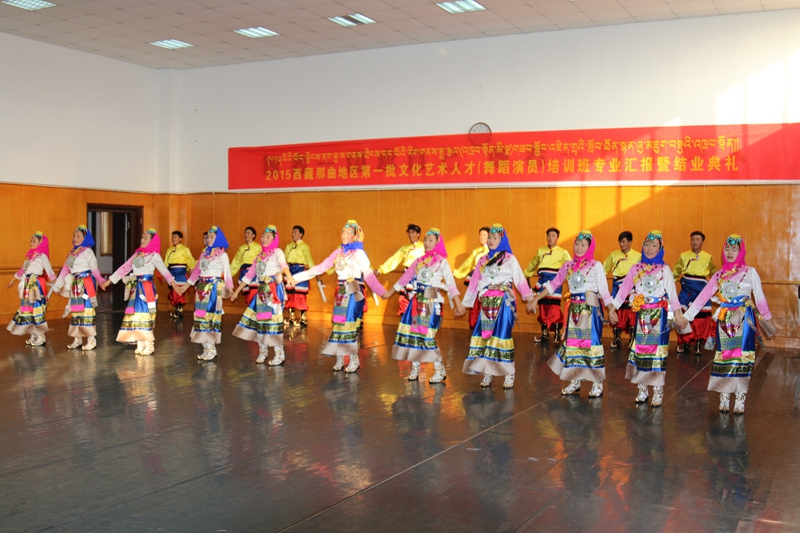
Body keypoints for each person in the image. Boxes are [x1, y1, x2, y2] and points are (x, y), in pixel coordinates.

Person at [683, 234, 773, 414]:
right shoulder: (719, 275)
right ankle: (724, 396)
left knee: (742, 357)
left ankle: (740, 397)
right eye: (727, 249)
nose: (730, 252)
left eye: (734, 249)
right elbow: (703, 297)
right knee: (724, 357)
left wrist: (767, 320)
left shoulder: (750, 272)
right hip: (724, 319)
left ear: (741, 252)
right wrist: (687, 317)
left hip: (744, 318)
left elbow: (759, 297)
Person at [291, 220, 385, 373]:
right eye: (343, 232)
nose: (344, 235)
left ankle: (354, 359)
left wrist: (381, 291)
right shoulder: (338, 253)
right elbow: (320, 268)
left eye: (348, 233)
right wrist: (295, 278)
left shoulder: (359, 253)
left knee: (349, 323)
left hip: (354, 290)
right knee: (338, 323)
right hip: (341, 291)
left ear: (355, 236)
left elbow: (368, 273)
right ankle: (340, 357)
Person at [608, 231, 686, 407]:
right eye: (647, 245)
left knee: (657, 353)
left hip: (659, 315)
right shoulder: (635, 268)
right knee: (641, 351)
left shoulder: (664, 270)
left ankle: (657, 390)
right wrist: (612, 308)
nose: (650, 248)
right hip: (642, 315)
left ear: (660, 249)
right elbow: (623, 290)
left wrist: (678, 315)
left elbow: (673, 295)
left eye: (654, 245)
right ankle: (642, 389)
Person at [533, 230, 612, 398]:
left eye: (583, 245)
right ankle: (575, 380)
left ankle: (597, 382)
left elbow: (604, 291)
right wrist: (536, 298)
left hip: (590, 309)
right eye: (577, 244)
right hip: (574, 310)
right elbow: (553, 284)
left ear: (590, 247)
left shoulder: (596, 265)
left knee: (592, 345)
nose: (579, 247)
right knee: (573, 345)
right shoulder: (568, 266)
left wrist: (611, 309)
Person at [383, 228, 466, 383]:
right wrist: (390, 291)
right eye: (426, 240)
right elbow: (405, 278)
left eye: (431, 240)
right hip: (417, 302)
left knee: (427, 336)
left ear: (438, 242)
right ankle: (415, 368)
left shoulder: (442, 262)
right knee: (414, 335)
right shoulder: (419, 261)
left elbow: (451, 284)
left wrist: (458, 303)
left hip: (431, 302)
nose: (427, 243)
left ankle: (440, 369)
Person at [462, 224, 535, 389]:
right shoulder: (482, 260)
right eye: (490, 238)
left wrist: (530, 299)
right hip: (487, 304)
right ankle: (487, 372)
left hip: (503, 302)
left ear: (502, 240)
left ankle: (509, 373)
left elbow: (520, 280)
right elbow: (474, 283)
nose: (491, 240)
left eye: (495, 238)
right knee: (486, 338)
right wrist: (465, 304)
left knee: (502, 336)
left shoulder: (510, 259)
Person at [101, 229, 179, 356]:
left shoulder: (154, 256)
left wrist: (174, 285)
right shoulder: (137, 255)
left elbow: (164, 271)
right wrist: (109, 281)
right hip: (136, 288)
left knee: (146, 315)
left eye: (145, 238)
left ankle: (149, 344)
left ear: (152, 241)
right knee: (135, 315)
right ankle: (140, 342)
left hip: (147, 288)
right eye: (142, 237)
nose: (142, 240)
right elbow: (124, 268)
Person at [232, 226, 297, 365]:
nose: (264, 239)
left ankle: (279, 354)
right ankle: (263, 352)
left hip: (274, 291)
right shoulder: (259, 256)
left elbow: (284, 265)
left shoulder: (277, 252)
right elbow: (249, 275)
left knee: (273, 323)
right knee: (260, 323)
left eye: (268, 236)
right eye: (263, 236)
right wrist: (237, 291)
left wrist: (289, 276)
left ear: (274, 239)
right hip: (261, 292)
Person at [176, 226, 233, 361]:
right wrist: (185, 286)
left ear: (218, 239)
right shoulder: (204, 254)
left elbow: (227, 273)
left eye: (212, 237)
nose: (209, 239)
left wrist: (230, 289)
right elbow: (196, 272)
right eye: (208, 237)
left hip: (213, 288)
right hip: (201, 288)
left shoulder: (222, 255)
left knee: (209, 318)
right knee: (200, 317)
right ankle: (206, 348)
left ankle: (211, 349)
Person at [52, 225, 107, 351]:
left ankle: (91, 339)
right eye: (74, 236)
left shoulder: (88, 252)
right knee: (76, 311)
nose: (75, 239)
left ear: (85, 238)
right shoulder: (72, 254)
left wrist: (101, 281)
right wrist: (57, 286)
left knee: (87, 311)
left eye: (78, 236)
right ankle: (77, 339)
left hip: (86, 285)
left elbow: (94, 269)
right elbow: (65, 270)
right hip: (76, 285)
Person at [7, 231, 56, 346]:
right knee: (28, 309)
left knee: (36, 309)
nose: (31, 243)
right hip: (28, 285)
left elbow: (48, 269)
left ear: (40, 243)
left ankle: (41, 335)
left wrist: (54, 280)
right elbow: (22, 270)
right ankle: (33, 333)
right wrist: (13, 280)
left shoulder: (42, 256)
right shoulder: (30, 256)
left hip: (36, 285)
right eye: (31, 241)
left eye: (34, 241)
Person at [525, 227, 572, 344]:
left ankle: (557, 334)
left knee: (554, 309)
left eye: (553, 235)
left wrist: (573, 285)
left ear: (557, 238)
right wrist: (526, 274)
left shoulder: (563, 252)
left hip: (555, 283)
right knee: (542, 308)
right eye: (549, 235)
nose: (551, 238)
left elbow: (569, 268)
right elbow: (533, 263)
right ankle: (544, 334)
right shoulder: (541, 251)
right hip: (542, 282)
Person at [673, 231, 717, 354]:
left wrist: (720, 286)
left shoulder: (708, 257)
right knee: (682, 315)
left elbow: (714, 274)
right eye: (693, 239)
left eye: (697, 239)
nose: (694, 242)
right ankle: (684, 341)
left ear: (702, 242)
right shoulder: (683, 256)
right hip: (686, 288)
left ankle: (698, 343)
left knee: (701, 317)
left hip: (701, 290)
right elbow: (675, 272)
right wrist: (666, 285)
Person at [603, 231, 642, 349]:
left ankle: (633, 338)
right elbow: (603, 270)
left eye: (624, 242)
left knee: (632, 312)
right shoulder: (613, 255)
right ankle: (616, 338)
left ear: (630, 242)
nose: (621, 244)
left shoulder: (638, 256)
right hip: (617, 285)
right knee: (616, 310)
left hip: (632, 286)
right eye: (620, 242)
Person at [376, 223, 425, 315]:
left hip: (419, 277)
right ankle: (405, 320)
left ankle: (417, 320)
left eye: (413, 232)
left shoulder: (424, 247)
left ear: (418, 234)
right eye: (409, 233)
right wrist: (380, 270)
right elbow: (394, 259)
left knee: (418, 300)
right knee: (403, 300)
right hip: (407, 276)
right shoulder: (405, 248)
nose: (410, 235)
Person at [453, 226, 490, 330]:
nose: (482, 237)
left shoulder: (493, 251)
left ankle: (487, 328)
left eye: (484, 235)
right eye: (480, 235)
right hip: (476, 281)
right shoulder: (476, 251)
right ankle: (475, 327)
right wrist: (456, 272)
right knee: (475, 303)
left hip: (488, 283)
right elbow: (467, 264)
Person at [283, 225, 315, 328]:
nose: (293, 234)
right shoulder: (288, 246)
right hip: (290, 271)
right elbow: (284, 260)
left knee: (300, 295)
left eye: (295, 232)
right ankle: (291, 317)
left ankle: (303, 318)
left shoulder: (305, 246)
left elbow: (309, 260)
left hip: (300, 271)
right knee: (290, 294)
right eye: (292, 232)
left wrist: (315, 271)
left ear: (301, 234)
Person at [163, 230, 195, 319]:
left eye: (175, 237)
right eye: (172, 237)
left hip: (181, 272)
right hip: (172, 272)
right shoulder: (169, 250)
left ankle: (179, 310)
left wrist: (191, 268)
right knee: (172, 292)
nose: (173, 239)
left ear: (180, 239)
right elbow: (165, 263)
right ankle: (175, 309)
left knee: (180, 291)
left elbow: (190, 259)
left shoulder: (185, 249)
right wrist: (164, 274)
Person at [230, 226, 262, 306]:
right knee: (247, 294)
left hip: (254, 272)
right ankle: (250, 309)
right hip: (244, 272)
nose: (246, 235)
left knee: (253, 292)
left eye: (248, 233)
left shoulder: (258, 247)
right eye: (245, 233)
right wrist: (228, 274)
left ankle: (253, 310)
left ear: (253, 235)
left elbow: (261, 260)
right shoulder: (241, 248)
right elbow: (236, 262)